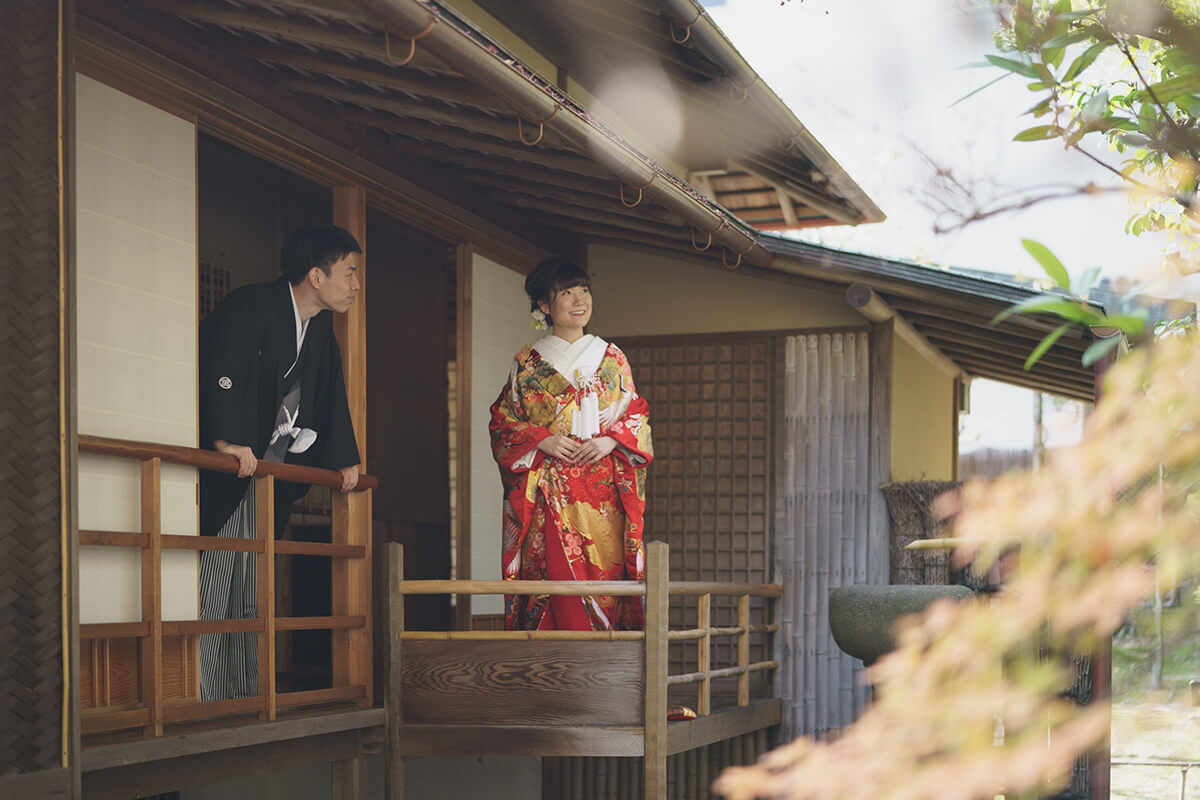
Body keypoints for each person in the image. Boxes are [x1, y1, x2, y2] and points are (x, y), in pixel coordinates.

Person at [197, 223, 362, 701]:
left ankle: (245, 693)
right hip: (233, 471)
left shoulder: (319, 331)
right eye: (349, 273)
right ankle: (207, 694)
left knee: (252, 587)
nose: (355, 285)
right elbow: (221, 368)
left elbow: (330, 397)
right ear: (316, 275)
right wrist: (225, 439)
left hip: (267, 475)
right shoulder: (251, 306)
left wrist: (343, 460)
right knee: (217, 581)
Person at [489, 257, 653, 631]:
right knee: (552, 577)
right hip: (548, 487)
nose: (580, 300)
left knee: (603, 579)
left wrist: (612, 441)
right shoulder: (527, 364)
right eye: (567, 292)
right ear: (544, 306)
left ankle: (602, 668)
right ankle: (550, 667)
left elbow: (636, 415)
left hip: (601, 492)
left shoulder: (612, 358)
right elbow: (503, 424)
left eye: (584, 290)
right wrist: (542, 439)